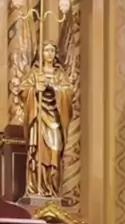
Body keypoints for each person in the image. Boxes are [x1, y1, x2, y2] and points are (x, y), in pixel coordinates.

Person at [19, 42, 73, 198]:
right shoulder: (34, 73)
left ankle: (52, 189)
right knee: (39, 154)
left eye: (52, 50)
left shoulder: (60, 75)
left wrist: (54, 88)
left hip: (55, 118)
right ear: (41, 53)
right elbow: (23, 91)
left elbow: (69, 93)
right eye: (46, 50)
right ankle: (38, 188)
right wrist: (35, 89)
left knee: (55, 151)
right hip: (39, 117)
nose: (49, 53)